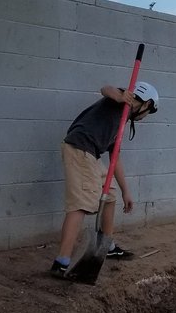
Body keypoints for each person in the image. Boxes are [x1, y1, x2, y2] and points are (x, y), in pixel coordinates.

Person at [50, 81, 159, 278]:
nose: (144, 118)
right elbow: (106, 89)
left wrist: (126, 190)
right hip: (80, 149)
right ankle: (62, 262)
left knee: (109, 195)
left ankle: (105, 245)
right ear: (146, 104)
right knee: (80, 205)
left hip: (90, 155)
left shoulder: (120, 123)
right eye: (148, 112)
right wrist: (119, 96)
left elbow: (115, 158)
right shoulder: (120, 100)